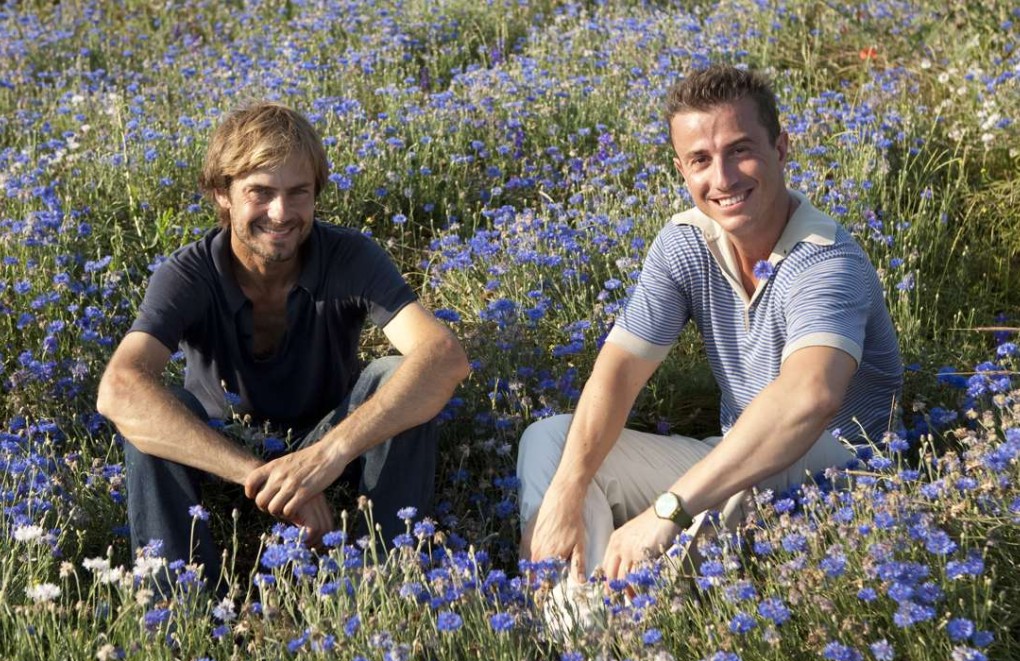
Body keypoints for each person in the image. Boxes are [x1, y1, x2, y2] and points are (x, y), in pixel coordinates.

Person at [518, 65, 902, 592]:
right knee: (552, 443)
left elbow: (809, 399)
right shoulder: (686, 243)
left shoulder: (826, 261)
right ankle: (583, 621)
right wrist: (566, 491)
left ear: (781, 149)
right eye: (701, 159)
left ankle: (634, 603)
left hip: (841, 476)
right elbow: (620, 372)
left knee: (760, 456)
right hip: (733, 463)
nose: (722, 178)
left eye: (740, 150)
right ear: (682, 170)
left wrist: (668, 511)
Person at [96, 101, 470, 593]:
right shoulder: (188, 273)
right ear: (222, 194)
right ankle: (180, 604)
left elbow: (444, 357)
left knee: (399, 374)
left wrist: (325, 457)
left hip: (330, 442)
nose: (281, 213)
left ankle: (388, 579)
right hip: (221, 452)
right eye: (261, 192)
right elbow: (118, 390)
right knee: (151, 412)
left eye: (298, 193)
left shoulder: (349, 255)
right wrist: (265, 476)